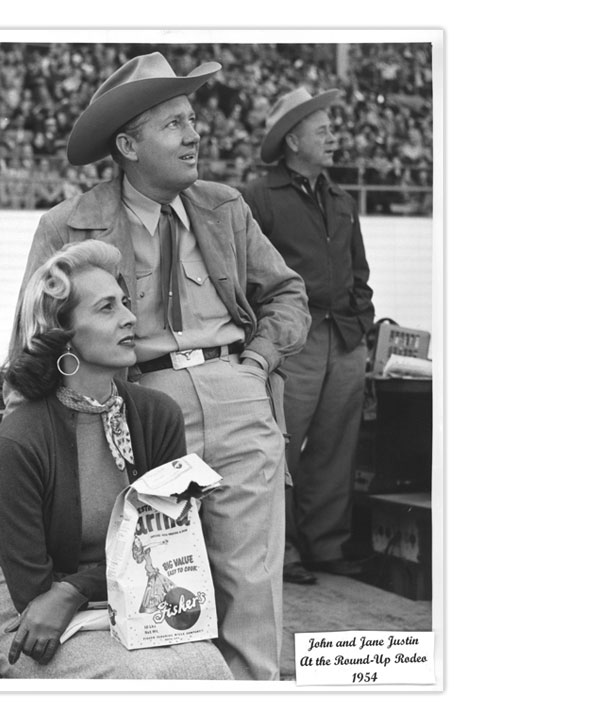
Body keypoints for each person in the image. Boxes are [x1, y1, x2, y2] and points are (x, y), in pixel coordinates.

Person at [4, 52, 309, 681]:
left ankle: (249, 695)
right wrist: (42, 437)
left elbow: (288, 293)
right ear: (128, 145)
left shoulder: (226, 206)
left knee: (250, 582)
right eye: (172, 124)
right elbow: (33, 339)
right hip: (138, 413)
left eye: (192, 119)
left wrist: (257, 361)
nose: (194, 134)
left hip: (238, 394)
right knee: (157, 573)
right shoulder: (68, 225)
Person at [0, 239, 231, 680]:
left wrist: (76, 588)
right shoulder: (21, 439)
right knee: (148, 680)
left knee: (208, 668)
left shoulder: (157, 416)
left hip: (136, 603)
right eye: (106, 309)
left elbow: (169, 548)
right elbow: (34, 595)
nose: (130, 317)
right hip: (36, 623)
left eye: (124, 303)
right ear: (63, 334)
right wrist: (68, 595)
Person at [241, 88, 376, 586]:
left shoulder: (341, 199)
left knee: (336, 446)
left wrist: (360, 322)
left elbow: (359, 270)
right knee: (282, 446)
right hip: (293, 341)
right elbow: (248, 273)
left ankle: (325, 546)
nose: (333, 137)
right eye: (323, 130)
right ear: (293, 140)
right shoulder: (258, 197)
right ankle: (285, 550)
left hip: (344, 336)